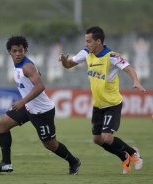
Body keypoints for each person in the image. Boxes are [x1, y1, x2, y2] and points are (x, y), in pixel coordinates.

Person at [58, 26, 145, 174]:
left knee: (107, 137)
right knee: (97, 140)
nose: (86, 44)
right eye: (85, 41)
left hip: (112, 104)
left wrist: (136, 81)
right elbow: (69, 65)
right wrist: (64, 61)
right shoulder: (85, 53)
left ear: (98, 41)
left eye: (89, 41)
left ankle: (134, 153)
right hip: (98, 105)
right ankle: (124, 156)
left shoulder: (111, 56)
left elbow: (129, 68)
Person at [0, 36, 81, 175]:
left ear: (25, 51)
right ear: (9, 51)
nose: (18, 54)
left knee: (50, 145)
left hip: (42, 112)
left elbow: (40, 86)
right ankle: (6, 163)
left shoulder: (27, 66)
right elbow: (37, 75)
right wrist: (25, 102)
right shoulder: (20, 66)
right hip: (28, 107)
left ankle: (74, 161)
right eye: (14, 51)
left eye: (21, 51)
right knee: (2, 125)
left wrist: (22, 101)